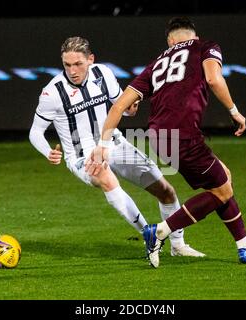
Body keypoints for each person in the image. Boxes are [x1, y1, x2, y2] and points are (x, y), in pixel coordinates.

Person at [86, 17, 246, 267]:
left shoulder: (156, 63)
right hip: (183, 135)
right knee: (222, 191)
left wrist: (103, 144)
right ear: (194, 36)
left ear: (170, 40)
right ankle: (159, 231)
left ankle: (245, 245)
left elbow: (119, 106)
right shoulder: (204, 46)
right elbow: (213, 79)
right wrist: (234, 111)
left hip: (160, 137)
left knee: (223, 177)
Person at [29, 36, 205, 257]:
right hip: (82, 156)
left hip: (114, 143)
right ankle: (149, 235)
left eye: (78, 64)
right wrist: (48, 151)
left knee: (166, 191)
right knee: (104, 177)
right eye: (67, 65)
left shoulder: (103, 73)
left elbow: (121, 106)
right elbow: (35, 132)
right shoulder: (51, 93)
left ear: (90, 59)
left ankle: (178, 246)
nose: (72, 71)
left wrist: (130, 109)